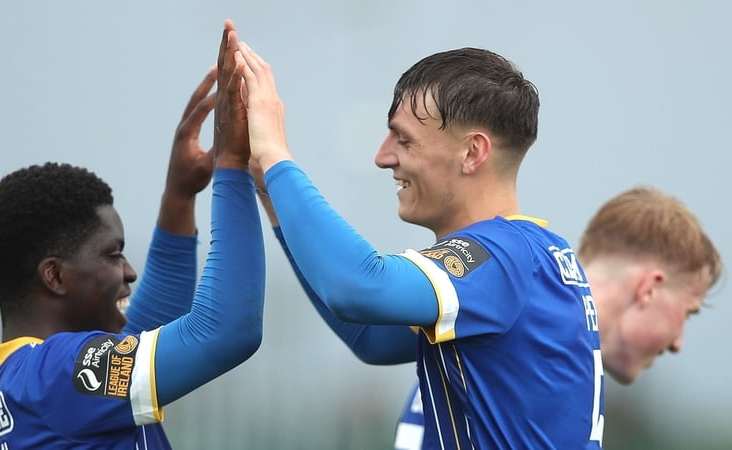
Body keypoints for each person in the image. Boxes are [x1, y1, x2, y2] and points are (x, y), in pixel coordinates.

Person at [236, 35, 604, 448]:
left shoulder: (502, 255)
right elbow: (370, 337)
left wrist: (275, 152)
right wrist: (270, 186)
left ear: (472, 152)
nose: (382, 157)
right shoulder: (540, 254)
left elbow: (359, 287)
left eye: (404, 139)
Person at [0, 22, 263, 449]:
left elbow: (147, 329)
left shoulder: (4, 384)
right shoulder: (55, 375)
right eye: (112, 254)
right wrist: (233, 164)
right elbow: (228, 330)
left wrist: (180, 197)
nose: (128, 271)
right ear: (55, 276)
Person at [390, 186, 723, 449]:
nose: (678, 343)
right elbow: (370, 308)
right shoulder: (529, 358)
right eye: (688, 312)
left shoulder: (518, 349)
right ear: (649, 289)